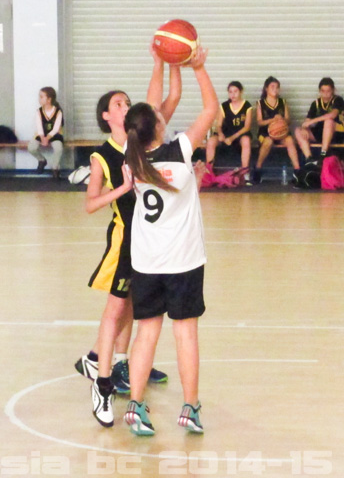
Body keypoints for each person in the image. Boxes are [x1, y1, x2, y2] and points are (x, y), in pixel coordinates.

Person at [75, 51, 181, 428]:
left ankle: (120, 363)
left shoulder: (142, 140)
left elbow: (165, 100)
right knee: (116, 310)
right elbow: (90, 204)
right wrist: (122, 187)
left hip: (151, 241)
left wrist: (167, 61)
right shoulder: (102, 156)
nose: (125, 106)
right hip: (125, 241)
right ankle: (101, 381)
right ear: (107, 115)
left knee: (136, 307)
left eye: (126, 102)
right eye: (118, 103)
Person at [122, 46, 218, 437]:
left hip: (146, 262)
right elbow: (211, 109)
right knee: (185, 333)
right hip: (183, 261)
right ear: (159, 127)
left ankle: (135, 405)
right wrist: (198, 67)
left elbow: (149, 108)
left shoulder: (131, 157)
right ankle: (190, 408)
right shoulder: (180, 150)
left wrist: (162, 63)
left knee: (146, 332)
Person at [252, 76, 300, 185]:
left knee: (290, 140)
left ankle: (297, 171)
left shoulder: (283, 102)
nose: (275, 89)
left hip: (281, 132)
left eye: (277, 87)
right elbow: (259, 122)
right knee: (268, 141)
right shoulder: (260, 103)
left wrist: (282, 120)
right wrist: (272, 120)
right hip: (265, 133)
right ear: (266, 89)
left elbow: (288, 121)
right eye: (272, 86)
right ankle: (258, 168)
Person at [205, 81, 252, 183]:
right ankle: (209, 171)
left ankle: (245, 172)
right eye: (230, 92)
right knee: (211, 141)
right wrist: (220, 134)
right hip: (226, 133)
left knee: (246, 141)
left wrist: (232, 138)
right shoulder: (224, 106)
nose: (233, 94)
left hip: (240, 134)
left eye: (235, 91)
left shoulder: (247, 105)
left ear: (241, 92)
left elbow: (247, 127)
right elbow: (218, 125)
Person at [295, 77, 344, 164]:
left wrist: (313, 121)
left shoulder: (338, 100)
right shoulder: (316, 103)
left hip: (336, 134)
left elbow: (333, 114)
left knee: (328, 121)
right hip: (320, 133)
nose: (325, 94)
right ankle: (309, 159)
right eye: (323, 91)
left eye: (328, 91)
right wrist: (305, 128)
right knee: (298, 130)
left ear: (333, 90)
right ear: (319, 91)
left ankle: (323, 154)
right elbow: (307, 121)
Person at [27, 87, 64, 179]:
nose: (39, 99)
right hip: (41, 134)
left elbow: (56, 128)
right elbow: (39, 126)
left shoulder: (58, 112)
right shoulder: (39, 111)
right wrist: (42, 137)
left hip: (55, 135)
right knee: (31, 147)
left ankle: (55, 167)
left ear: (49, 99)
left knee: (58, 148)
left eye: (41, 97)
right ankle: (42, 160)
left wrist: (47, 138)